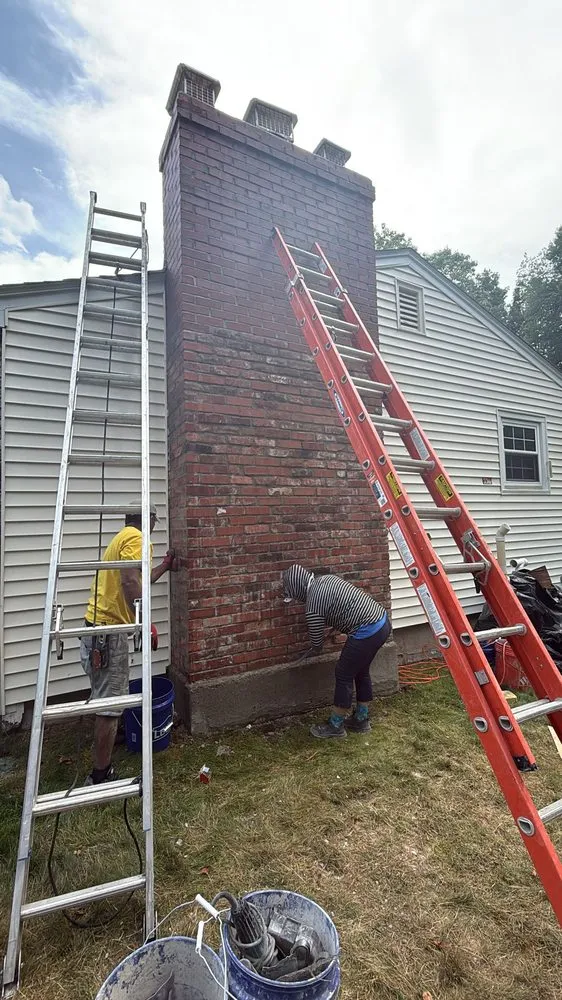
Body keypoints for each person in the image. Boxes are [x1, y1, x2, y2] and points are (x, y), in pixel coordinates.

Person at [80, 502, 176, 784]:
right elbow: (129, 582)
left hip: (98, 631)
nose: (155, 528)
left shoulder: (123, 538)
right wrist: (145, 624)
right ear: (149, 520)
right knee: (110, 705)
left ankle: (114, 734)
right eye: (155, 522)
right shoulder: (137, 538)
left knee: (108, 699)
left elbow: (140, 579)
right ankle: (100, 775)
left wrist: (165, 566)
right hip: (109, 633)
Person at [282, 564, 391, 739]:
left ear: (298, 588)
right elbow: (344, 605)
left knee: (343, 673)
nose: (297, 599)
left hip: (367, 631)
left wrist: (314, 648)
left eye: (294, 595)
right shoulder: (326, 579)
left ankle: (336, 725)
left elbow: (317, 641)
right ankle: (361, 719)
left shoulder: (313, 603)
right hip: (382, 623)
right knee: (361, 671)